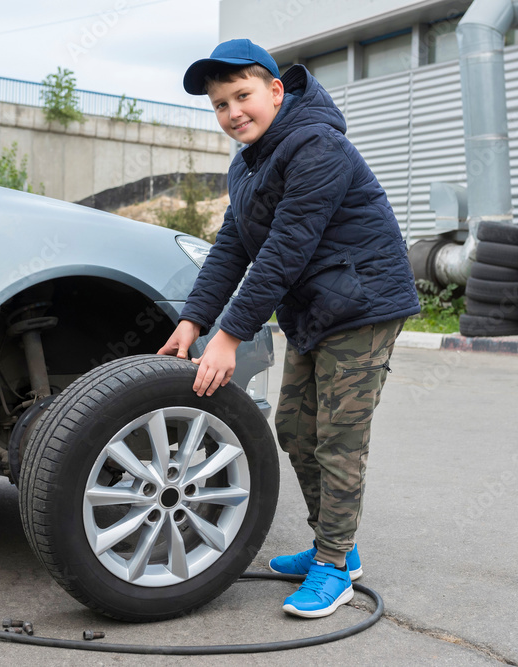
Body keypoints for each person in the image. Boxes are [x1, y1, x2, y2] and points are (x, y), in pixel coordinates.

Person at [157, 38, 420, 619]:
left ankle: (335, 566)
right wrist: (193, 319)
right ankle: (337, 547)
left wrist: (228, 336)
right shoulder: (250, 160)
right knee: (295, 430)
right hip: (316, 311)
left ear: (277, 90)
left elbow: (284, 250)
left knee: (339, 438)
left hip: (363, 306)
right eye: (220, 105)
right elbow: (233, 245)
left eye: (242, 96)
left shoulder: (317, 146)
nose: (232, 114)